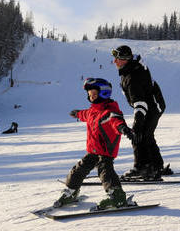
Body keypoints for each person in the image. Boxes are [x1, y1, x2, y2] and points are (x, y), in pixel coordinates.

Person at [54, 78, 134, 210]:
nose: (91, 98)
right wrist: (78, 114)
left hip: (106, 151)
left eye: (94, 95)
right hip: (93, 150)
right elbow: (85, 114)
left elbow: (117, 121)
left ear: (104, 94)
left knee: (106, 172)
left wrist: (123, 128)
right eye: (90, 95)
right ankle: (71, 192)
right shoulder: (92, 111)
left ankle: (117, 197)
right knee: (78, 170)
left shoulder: (110, 112)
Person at [111, 45, 170, 179]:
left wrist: (137, 123)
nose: (115, 61)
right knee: (146, 134)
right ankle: (155, 165)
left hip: (152, 106)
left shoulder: (133, 75)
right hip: (153, 104)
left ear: (125, 59)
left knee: (139, 134)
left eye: (117, 58)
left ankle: (142, 168)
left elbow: (140, 103)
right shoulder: (129, 69)